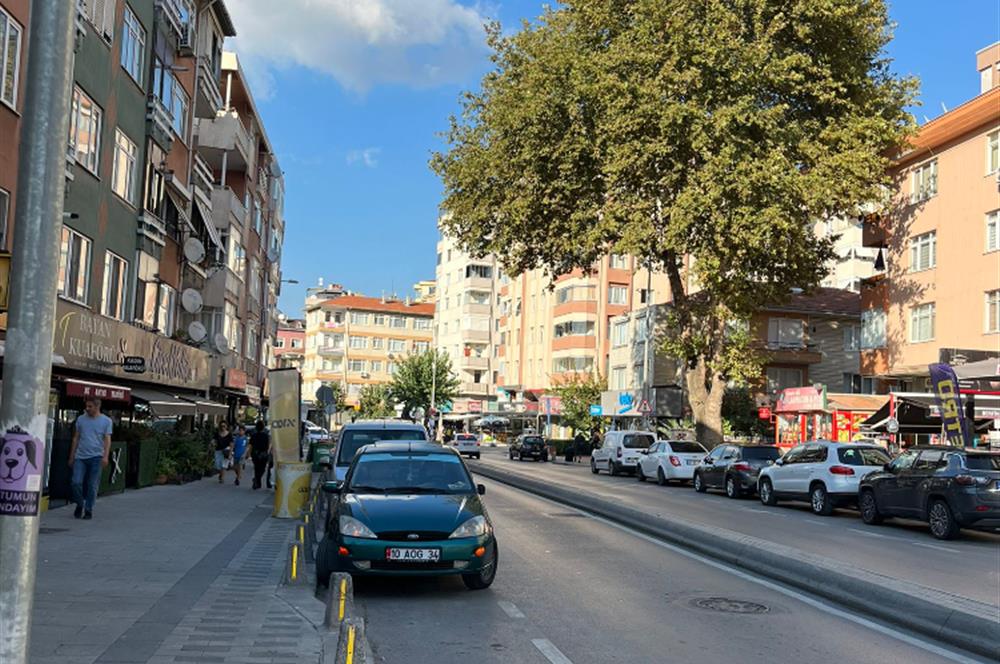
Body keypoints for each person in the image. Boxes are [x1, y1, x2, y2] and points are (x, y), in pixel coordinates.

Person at [67, 397, 113, 520]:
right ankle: (80, 503)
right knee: (76, 482)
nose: (87, 409)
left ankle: (88, 509)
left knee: (92, 485)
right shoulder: (81, 420)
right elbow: (76, 438)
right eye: (86, 406)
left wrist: (105, 456)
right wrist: (72, 456)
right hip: (80, 456)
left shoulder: (106, 421)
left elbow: (107, 439)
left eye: (90, 406)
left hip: (97, 456)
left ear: (97, 407)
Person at [249, 421, 271, 490]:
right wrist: (268, 452)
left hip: (255, 453)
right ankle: (257, 480)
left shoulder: (253, 435)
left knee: (256, 468)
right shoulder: (266, 436)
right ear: (263, 427)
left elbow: (250, 445)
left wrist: (249, 454)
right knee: (262, 469)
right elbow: (268, 445)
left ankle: (257, 482)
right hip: (263, 454)